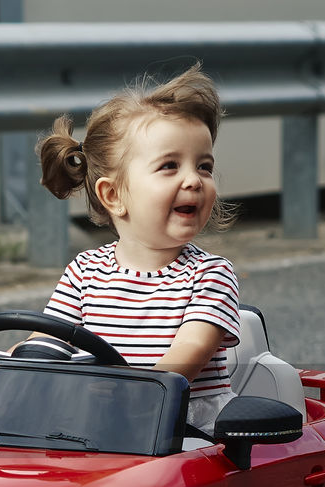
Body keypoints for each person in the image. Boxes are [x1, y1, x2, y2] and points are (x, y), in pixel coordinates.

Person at [29, 64, 241, 430]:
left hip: (184, 431)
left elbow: (187, 355)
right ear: (113, 195)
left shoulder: (211, 276)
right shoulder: (84, 271)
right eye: (170, 166)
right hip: (95, 424)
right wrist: (16, 371)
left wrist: (130, 395)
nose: (194, 179)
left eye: (204, 166)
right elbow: (47, 341)